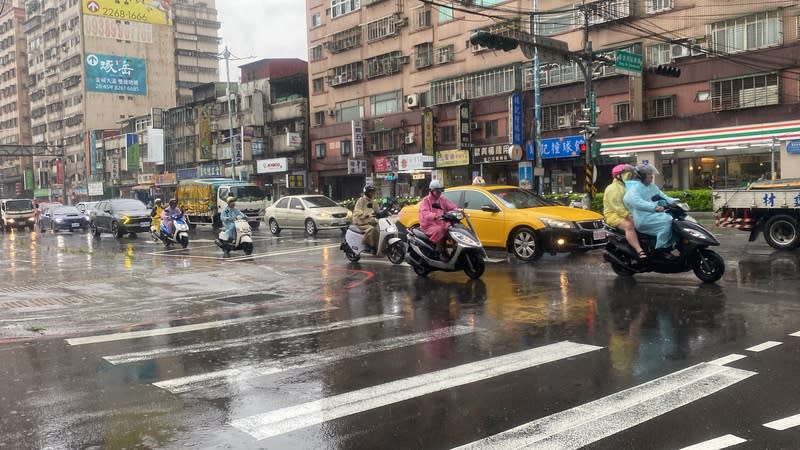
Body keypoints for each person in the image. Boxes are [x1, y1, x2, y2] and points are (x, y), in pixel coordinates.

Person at [623, 164, 678, 252]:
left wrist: (675, 201)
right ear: (642, 176)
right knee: (667, 221)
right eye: (649, 175)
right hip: (643, 218)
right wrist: (654, 207)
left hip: (654, 215)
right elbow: (636, 201)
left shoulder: (651, 186)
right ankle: (660, 248)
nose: (651, 177)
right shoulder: (634, 188)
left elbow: (662, 196)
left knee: (675, 219)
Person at [603, 164, 646, 260]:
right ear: (619, 176)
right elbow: (617, 207)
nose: (630, 178)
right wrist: (629, 216)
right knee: (629, 226)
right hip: (614, 215)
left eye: (631, 176)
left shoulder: (628, 186)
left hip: (629, 213)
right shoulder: (612, 188)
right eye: (628, 175)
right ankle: (639, 250)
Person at [419, 179, 458, 259]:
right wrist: (435, 216)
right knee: (441, 230)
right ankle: (440, 251)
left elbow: (451, 206)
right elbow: (425, 213)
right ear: (432, 191)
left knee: (453, 229)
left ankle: (456, 250)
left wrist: (458, 211)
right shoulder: (426, 200)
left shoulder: (442, 199)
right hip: (429, 225)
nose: (439, 193)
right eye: (437, 191)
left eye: (440, 191)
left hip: (441, 222)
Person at [352, 185, 381, 253]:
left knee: (380, 229)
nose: (372, 193)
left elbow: (377, 211)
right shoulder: (361, 200)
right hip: (361, 222)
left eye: (373, 191)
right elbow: (357, 210)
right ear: (367, 192)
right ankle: (369, 245)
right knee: (371, 229)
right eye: (370, 192)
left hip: (372, 221)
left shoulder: (374, 202)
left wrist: (384, 213)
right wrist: (364, 215)